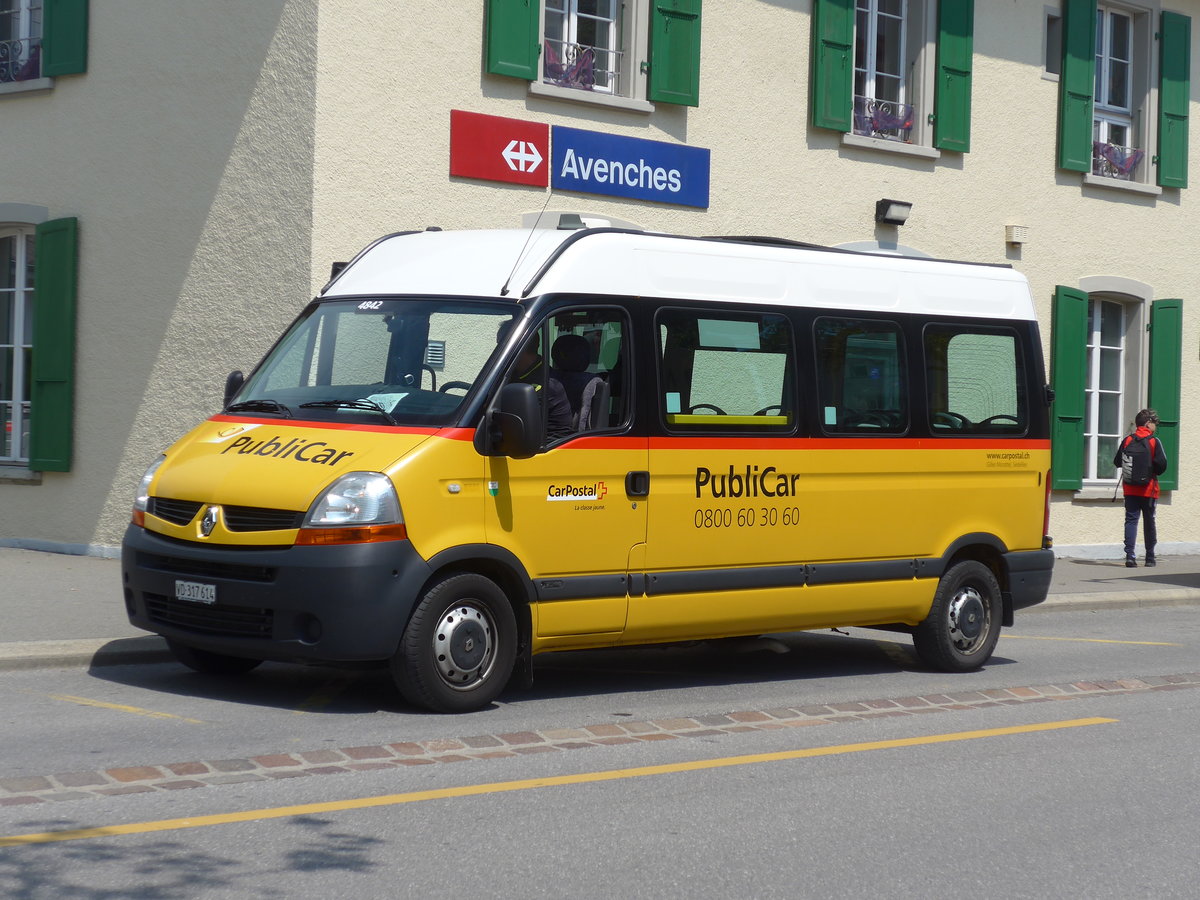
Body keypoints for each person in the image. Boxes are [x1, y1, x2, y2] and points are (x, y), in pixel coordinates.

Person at [497, 321, 574, 440]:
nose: (498, 352)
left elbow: (507, 418)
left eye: (501, 346)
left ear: (517, 348)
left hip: (540, 450)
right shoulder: (511, 374)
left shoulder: (548, 384)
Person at [1113, 408, 1169, 567]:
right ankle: (1150, 557)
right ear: (1148, 423)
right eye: (1155, 423)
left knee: (1131, 521)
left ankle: (1130, 557)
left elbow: (1117, 462)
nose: (1156, 426)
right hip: (1149, 489)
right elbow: (1162, 465)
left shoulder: (1127, 440)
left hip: (1130, 489)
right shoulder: (1153, 441)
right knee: (1149, 521)